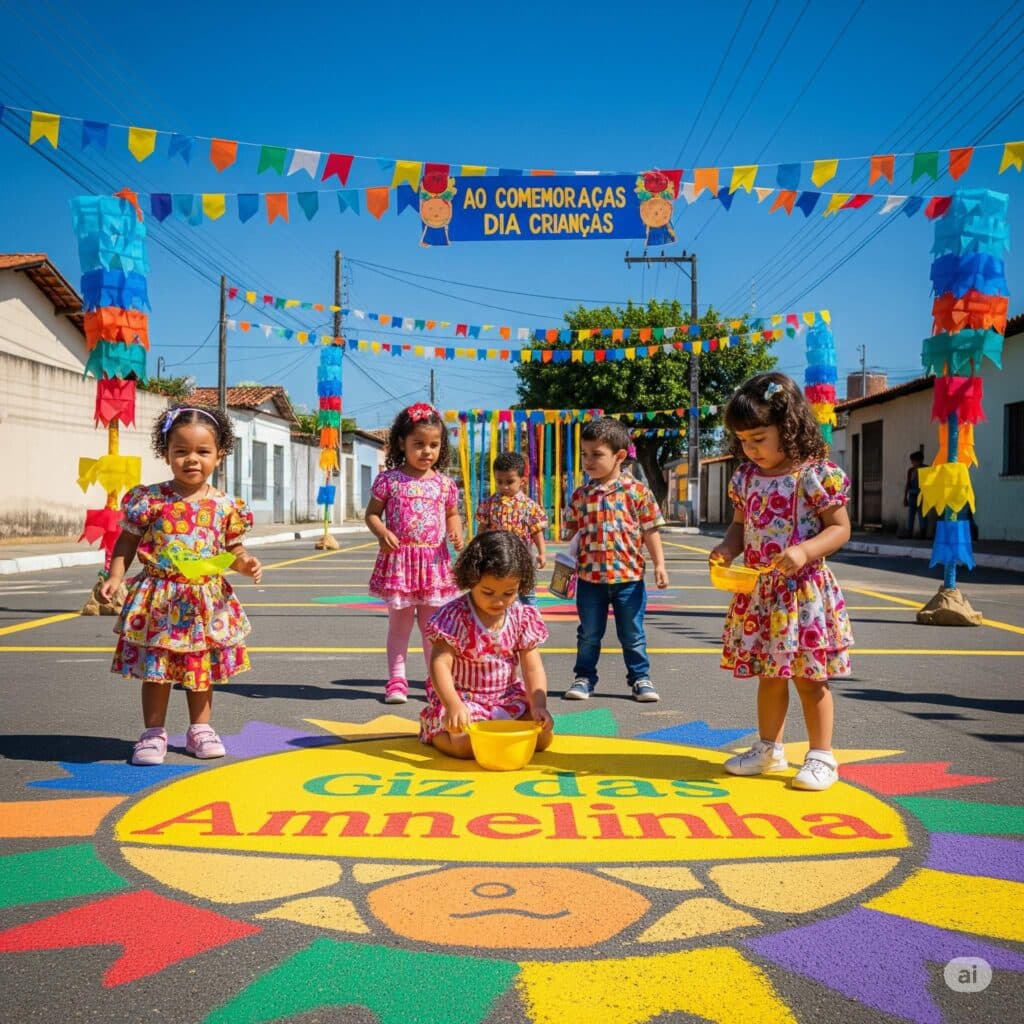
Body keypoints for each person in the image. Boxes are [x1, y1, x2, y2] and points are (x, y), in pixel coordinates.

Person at [710, 372, 853, 792]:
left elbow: (840, 528)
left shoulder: (814, 475)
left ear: (787, 426)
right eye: (743, 441)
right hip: (760, 593)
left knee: (810, 678)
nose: (750, 449)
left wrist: (806, 551)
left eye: (758, 437)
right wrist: (726, 549)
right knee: (769, 675)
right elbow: (739, 527)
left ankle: (822, 756)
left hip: (803, 595)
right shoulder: (745, 478)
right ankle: (769, 748)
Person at [98, 405, 262, 766]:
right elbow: (127, 540)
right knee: (158, 669)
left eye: (203, 452)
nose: (192, 460)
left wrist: (245, 562)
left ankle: (200, 729)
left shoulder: (225, 505)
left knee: (199, 667)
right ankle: (153, 733)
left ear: (219, 455)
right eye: (181, 451)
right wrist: (115, 574)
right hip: (160, 599)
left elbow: (233, 547)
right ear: (166, 453)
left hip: (205, 601)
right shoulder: (150, 500)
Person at [562, 416, 668, 703]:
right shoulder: (581, 495)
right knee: (589, 634)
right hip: (589, 580)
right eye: (585, 454)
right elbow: (570, 532)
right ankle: (584, 677)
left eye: (597, 454)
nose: (588, 461)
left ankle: (640, 679)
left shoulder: (637, 492)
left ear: (619, 456)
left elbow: (650, 530)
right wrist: (567, 543)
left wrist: (659, 565)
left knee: (632, 633)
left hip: (629, 580)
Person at [422, 530, 554, 758]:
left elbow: (533, 667)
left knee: (543, 739)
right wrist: (452, 704)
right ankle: (434, 734)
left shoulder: (521, 616)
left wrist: (538, 705)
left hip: (507, 697)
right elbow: (440, 663)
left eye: (509, 592)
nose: (499, 600)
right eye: (488, 592)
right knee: (465, 747)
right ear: (471, 579)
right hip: (466, 699)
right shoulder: (456, 616)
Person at [366, 403, 464, 704]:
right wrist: (382, 532)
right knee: (399, 626)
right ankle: (396, 679)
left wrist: (455, 531)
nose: (426, 452)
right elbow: (371, 515)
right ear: (401, 443)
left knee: (432, 628)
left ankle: (436, 680)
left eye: (434, 445)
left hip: (434, 564)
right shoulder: (389, 480)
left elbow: (451, 514)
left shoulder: (445, 485)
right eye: (418, 444)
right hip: (400, 563)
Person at [475, 451, 548, 605]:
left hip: (523, 560)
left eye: (509, 481)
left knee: (527, 594)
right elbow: (482, 527)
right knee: (498, 593)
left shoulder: (529, 506)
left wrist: (542, 552)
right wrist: (477, 547)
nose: (504, 486)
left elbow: (536, 531)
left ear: (522, 481)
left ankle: (531, 622)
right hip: (496, 559)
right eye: (499, 481)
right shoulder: (489, 503)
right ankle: (501, 623)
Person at [904, 450, 926, 538]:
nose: (913, 463)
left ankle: (923, 533)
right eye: (912, 461)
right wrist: (905, 497)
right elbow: (908, 484)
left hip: (922, 494)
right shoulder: (911, 470)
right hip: (912, 494)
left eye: (914, 461)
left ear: (920, 460)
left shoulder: (925, 469)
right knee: (911, 514)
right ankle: (909, 532)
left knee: (922, 515)